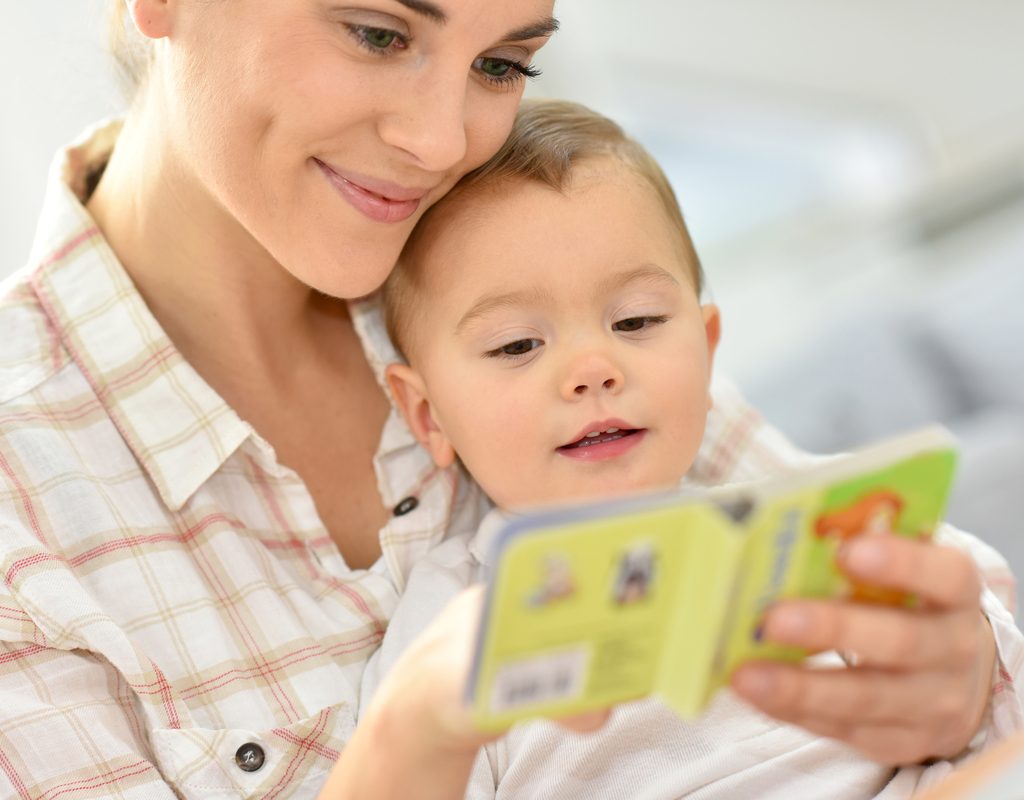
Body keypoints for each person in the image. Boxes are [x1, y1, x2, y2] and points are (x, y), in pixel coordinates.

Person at [0, 2, 1018, 799]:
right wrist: (417, 728)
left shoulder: (509, 252)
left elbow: (904, 610)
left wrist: (962, 674)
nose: (441, 142)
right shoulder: (24, 514)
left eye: (501, 63)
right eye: (376, 31)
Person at [360, 99, 1024, 798]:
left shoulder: (782, 530)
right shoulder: (449, 623)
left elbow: (967, 659)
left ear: (707, 353)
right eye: (518, 345)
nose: (593, 368)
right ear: (428, 414)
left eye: (636, 320)